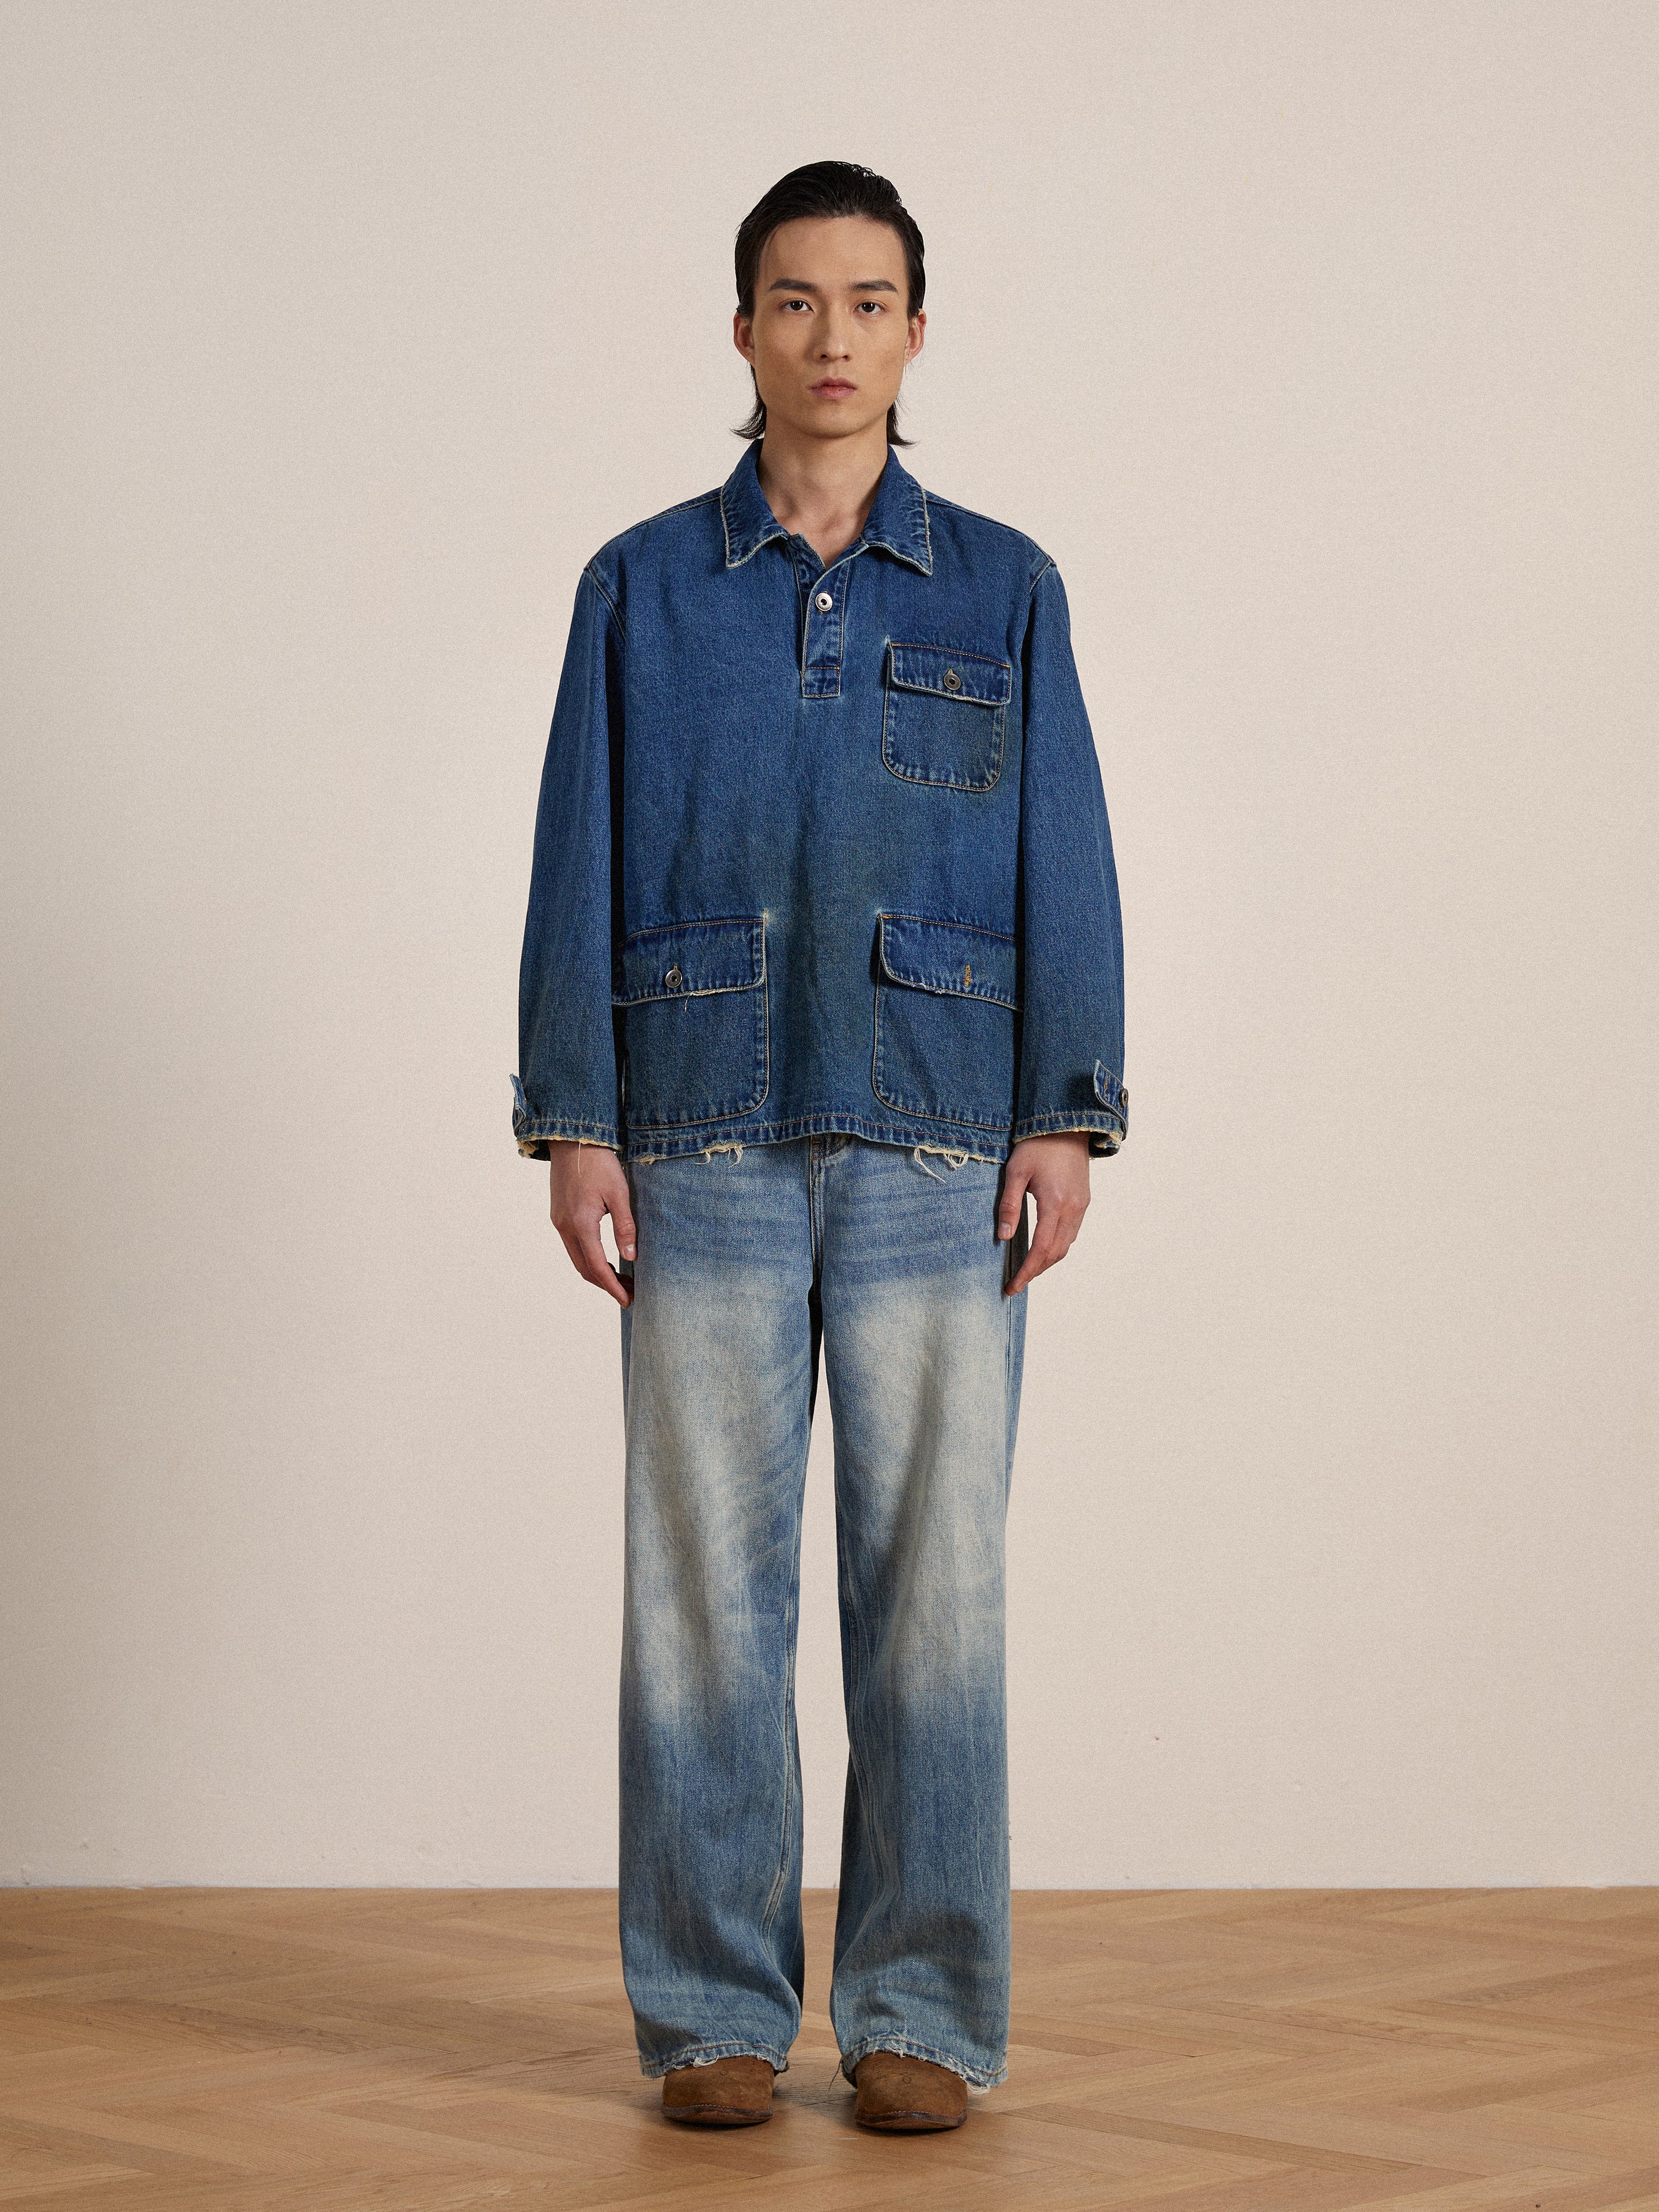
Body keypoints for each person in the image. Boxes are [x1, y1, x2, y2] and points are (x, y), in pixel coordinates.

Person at [513, 160, 1127, 2135]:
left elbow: (1068, 864)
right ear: (745, 329)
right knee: (700, 1585)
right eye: (796, 301)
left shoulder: (1008, 585)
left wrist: (1066, 1104)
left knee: (933, 1585)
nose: (833, 339)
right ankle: (706, 2006)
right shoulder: (639, 584)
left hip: (946, 1146)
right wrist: (576, 1116)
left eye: (870, 303)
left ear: (918, 332)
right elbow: (574, 857)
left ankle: (923, 2014)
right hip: (692, 1130)